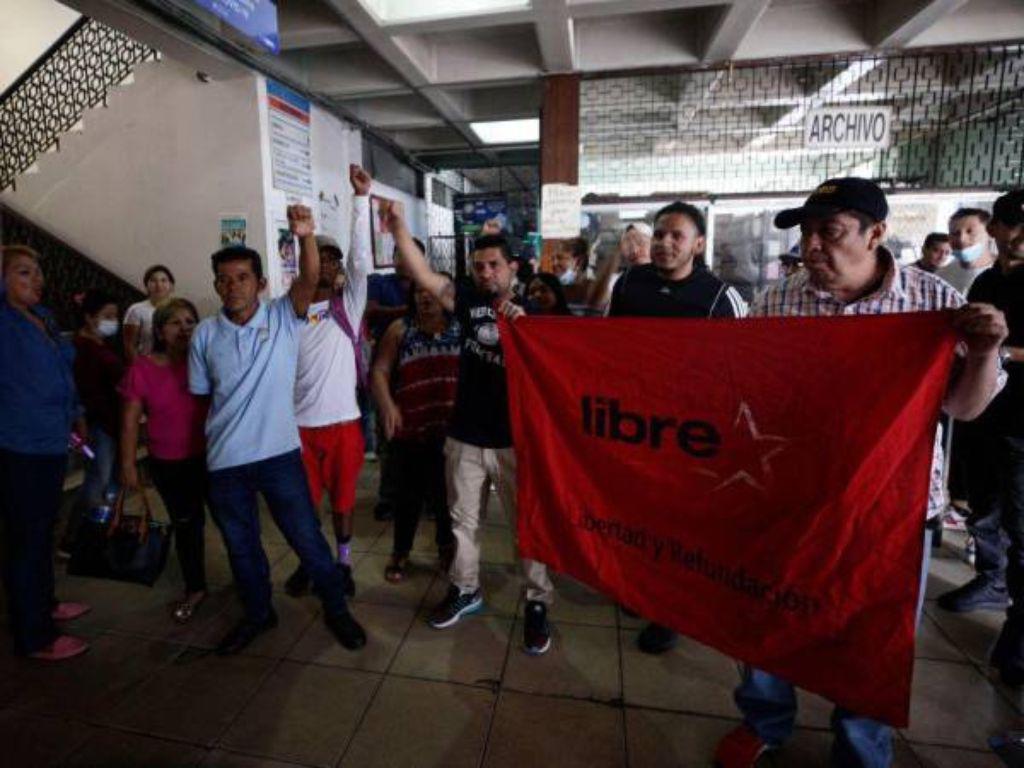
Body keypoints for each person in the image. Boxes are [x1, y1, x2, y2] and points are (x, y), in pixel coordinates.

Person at [713, 177, 1007, 768]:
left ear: (877, 233)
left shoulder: (934, 305)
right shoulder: (779, 302)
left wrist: (982, 352)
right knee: (771, 615)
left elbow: (965, 408)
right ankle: (765, 718)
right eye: (807, 233)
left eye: (831, 232)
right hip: (793, 495)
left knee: (872, 638)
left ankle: (861, 746)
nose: (813, 246)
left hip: (892, 509)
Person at [188, 205, 366, 655]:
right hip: (226, 464)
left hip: (280, 457)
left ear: (262, 283)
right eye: (225, 279)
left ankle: (338, 611)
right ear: (215, 285)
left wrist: (305, 236)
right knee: (242, 549)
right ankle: (258, 613)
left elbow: (308, 279)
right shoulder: (204, 336)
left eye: (243, 277)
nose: (233, 287)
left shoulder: (283, 316)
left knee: (307, 540)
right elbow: (204, 395)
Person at [389, 209, 557, 656]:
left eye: (494, 265)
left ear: (513, 268)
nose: (486, 272)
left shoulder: (536, 312)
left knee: (529, 528)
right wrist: (397, 225)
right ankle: (466, 589)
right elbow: (424, 274)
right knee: (464, 525)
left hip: (516, 441)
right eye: (479, 266)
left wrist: (530, 330)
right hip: (464, 435)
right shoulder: (464, 300)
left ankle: (537, 603)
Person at [608, 201, 747, 656]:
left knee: (679, 525)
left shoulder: (718, 298)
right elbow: (606, 350)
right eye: (660, 234)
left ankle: (670, 611)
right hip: (636, 425)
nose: (665, 244)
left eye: (677, 237)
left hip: (691, 435)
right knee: (636, 515)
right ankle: (639, 589)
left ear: (698, 245)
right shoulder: (629, 284)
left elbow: (741, 370)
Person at [936, 191, 1024, 682]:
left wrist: (999, 353)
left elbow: (987, 347)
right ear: (997, 228)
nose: (1019, 237)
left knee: (1022, 524)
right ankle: (991, 580)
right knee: (982, 508)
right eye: (1012, 225)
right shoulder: (987, 281)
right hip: (982, 414)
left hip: (1021, 425)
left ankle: (1019, 630)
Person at [284, 165, 373, 600]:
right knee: (304, 507)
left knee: (342, 502)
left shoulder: (348, 307)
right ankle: (310, 561)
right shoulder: (288, 311)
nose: (331, 263)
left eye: (334, 258)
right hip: (297, 428)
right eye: (322, 256)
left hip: (342, 424)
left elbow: (361, 263)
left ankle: (342, 563)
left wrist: (360, 201)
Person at [0, 245, 90, 660]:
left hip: (54, 439)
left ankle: (46, 603)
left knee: (43, 531)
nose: (35, 280)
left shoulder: (45, 319)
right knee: (28, 539)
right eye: (22, 273)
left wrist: (77, 414)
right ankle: (34, 634)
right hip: (20, 445)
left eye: (37, 272)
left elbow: (63, 375)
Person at [120, 298, 209, 623]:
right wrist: (128, 463)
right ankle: (195, 587)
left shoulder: (205, 360)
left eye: (190, 321)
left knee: (233, 522)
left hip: (213, 457)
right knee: (187, 527)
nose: (184, 328)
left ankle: (249, 582)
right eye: (175, 322)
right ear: (159, 330)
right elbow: (130, 419)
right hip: (170, 462)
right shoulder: (142, 368)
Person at [371, 275, 461, 582]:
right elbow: (380, 370)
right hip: (411, 427)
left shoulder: (462, 329)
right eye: (419, 291)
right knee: (407, 496)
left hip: (452, 428)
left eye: (433, 291)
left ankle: (446, 548)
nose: (425, 297)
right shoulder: (400, 330)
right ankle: (400, 551)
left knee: (446, 496)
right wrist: (387, 405)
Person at [63, 289, 124, 554]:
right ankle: (73, 539)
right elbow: (82, 391)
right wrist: (81, 426)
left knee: (109, 483)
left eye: (115, 316)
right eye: (107, 316)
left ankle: (99, 532)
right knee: (96, 482)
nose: (113, 321)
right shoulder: (79, 348)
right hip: (96, 426)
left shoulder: (101, 345)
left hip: (112, 422)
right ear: (88, 317)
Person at [366, 257, 415, 519]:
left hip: (417, 367)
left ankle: (426, 498)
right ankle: (388, 497)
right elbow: (370, 311)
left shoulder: (426, 284)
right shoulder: (379, 282)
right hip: (386, 369)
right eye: (398, 256)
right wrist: (408, 310)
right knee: (388, 436)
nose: (402, 261)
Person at [587, 223, 653, 313]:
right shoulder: (618, 280)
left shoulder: (666, 277)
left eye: (641, 242)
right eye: (628, 245)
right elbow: (596, 307)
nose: (634, 250)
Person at [937, 208, 996, 296]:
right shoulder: (941, 277)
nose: (961, 239)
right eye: (955, 233)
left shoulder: (1008, 271)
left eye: (970, 232)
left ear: (990, 233)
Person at [123, 265, 175, 362]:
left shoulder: (178, 310)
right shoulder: (136, 310)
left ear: (171, 286)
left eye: (163, 280)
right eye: (153, 281)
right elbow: (129, 346)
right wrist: (141, 370)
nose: (158, 285)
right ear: (146, 285)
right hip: (146, 364)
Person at [552, 237, 597, 315]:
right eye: (553, 259)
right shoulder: (553, 289)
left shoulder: (591, 290)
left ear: (578, 261)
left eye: (560, 258)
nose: (554, 263)